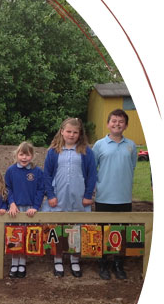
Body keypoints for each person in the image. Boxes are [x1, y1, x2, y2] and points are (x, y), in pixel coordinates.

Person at [42, 118, 97, 278]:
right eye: (68, 131)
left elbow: (92, 174)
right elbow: (47, 175)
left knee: (76, 228)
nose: (71, 135)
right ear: (62, 131)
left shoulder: (86, 151)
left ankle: (74, 259)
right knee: (57, 228)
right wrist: (50, 195)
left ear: (80, 134)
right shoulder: (53, 151)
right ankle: (58, 259)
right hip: (58, 197)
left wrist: (88, 195)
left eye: (75, 132)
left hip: (79, 198)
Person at [91, 108, 137, 280]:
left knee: (121, 231)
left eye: (121, 121)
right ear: (108, 124)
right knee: (103, 230)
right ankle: (103, 263)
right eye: (114, 121)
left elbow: (132, 167)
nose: (117, 124)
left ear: (126, 125)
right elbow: (92, 169)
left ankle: (118, 264)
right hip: (104, 196)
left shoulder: (131, 145)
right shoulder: (99, 145)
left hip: (124, 196)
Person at [5, 141, 45, 278]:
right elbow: (7, 189)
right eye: (21, 154)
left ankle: (22, 263)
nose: (24, 158)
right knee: (15, 236)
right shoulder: (11, 171)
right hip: (15, 210)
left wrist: (35, 207)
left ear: (32, 156)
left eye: (27, 155)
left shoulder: (37, 171)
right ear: (17, 155)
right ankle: (14, 263)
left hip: (30, 210)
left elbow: (41, 190)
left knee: (27, 236)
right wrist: (11, 203)